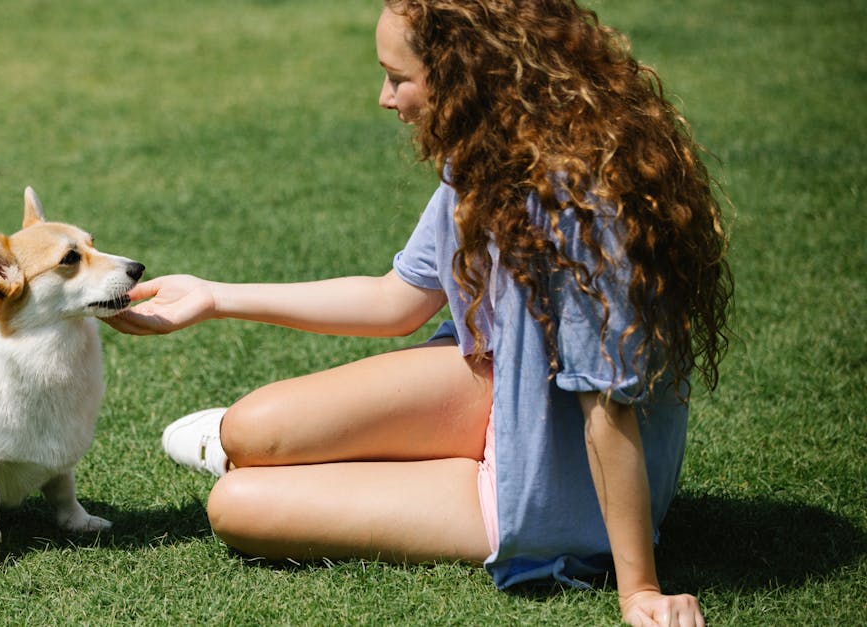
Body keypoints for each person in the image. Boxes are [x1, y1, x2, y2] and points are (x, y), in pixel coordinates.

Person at [106, 1, 731, 625]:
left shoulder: (577, 202)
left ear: (464, 75)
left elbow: (607, 406)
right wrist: (215, 298)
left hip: (552, 484)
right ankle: (294, 452)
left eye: (398, 77)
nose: (385, 97)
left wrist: (639, 589)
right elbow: (396, 299)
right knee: (245, 429)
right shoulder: (480, 159)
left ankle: (389, 470)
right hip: (497, 390)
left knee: (236, 506)